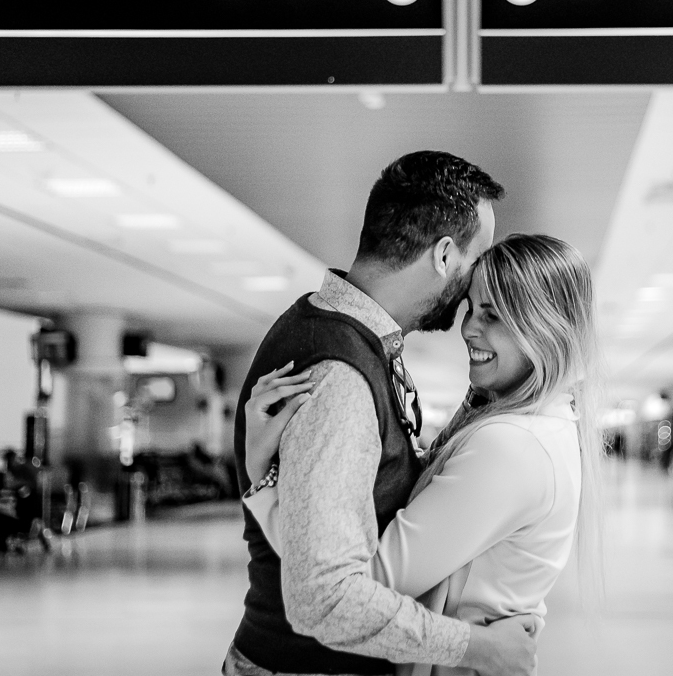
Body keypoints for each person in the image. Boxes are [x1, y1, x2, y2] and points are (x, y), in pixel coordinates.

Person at [225, 151, 534, 676]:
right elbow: (323, 598)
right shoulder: (340, 377)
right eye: (476, 258)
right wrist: (478, 648)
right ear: (443, 255)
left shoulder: (334, 329)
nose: (474, 284)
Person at [244, 234, 604, 676]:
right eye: (472, 308)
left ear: (545, 329)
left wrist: (264, 478)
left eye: (493, 315)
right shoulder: (545, 425)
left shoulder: (514, 445)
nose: (468, 328)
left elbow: (354, 588)